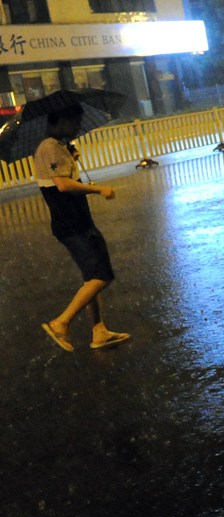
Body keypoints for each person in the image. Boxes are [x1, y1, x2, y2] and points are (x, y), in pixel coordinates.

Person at [34, 103, 130, 352]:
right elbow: (63, 186)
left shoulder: (58, 147)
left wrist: (72, 158)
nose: (77, 127)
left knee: (92, 277)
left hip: (78, 221)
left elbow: (62, 178)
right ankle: (61, 323)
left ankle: (99, 331)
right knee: (101, 275)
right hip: (72, 223)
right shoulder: (49, 147)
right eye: (75, 121)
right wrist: (98, 189)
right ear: (62, 120)